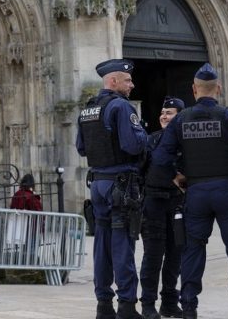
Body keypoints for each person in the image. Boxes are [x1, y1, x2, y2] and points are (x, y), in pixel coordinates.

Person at [151, 63, 228, 319]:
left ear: (194, 90)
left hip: (196, 192)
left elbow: (159, 158)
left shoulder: (181, 119)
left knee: (193, 251)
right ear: (219, 89)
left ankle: (190, 309)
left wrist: (177, 177)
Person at [77, 58, 149, 319]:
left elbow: (81, 148)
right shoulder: (120, 107)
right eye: (128, 80)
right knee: (122, 245)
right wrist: (144, 136)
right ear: (113, 81)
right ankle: (127, 307)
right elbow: (132, 146)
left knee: (102, 246)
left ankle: (103, 306)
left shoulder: (88, 109)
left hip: (97, 184)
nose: (132, 85)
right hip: (121, 185)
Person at [140, 96, 186, 319]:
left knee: (175, 255)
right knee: (153, 255)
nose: (164, 116)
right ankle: (148, 303)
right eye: (162, 112)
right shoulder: (151, 141)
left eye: (170, 112)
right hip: (154, 202)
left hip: (179, 203)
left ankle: (169, 302)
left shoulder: (188, 141)